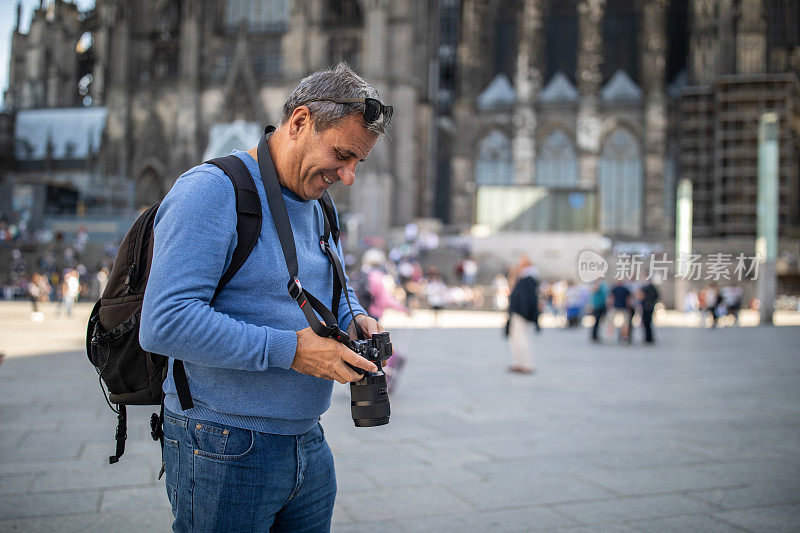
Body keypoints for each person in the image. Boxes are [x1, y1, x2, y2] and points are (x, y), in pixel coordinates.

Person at [139, 64, 392, 532]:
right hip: (223, 443)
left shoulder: (318, 202)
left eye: (358, 161)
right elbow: (164, 322)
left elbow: (334, 289)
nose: (349, 175)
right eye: (341, 154)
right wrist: (293, 351)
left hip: (308, 442)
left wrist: (356, 319)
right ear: (299, 123)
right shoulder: (210, 190)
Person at [507, 256, 539, 374]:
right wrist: (513, 274)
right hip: (516, 313)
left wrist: (527, 315)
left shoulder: (529, 279)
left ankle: (527, 365)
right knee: (516, 340)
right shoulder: (521, 279)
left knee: (523, 340)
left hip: (523, 315)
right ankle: (518, 363)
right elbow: (511, 291)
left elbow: (529, 300)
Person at [639, 276, 660, 344]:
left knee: (647, 323)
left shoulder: (648, 288)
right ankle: (648, 338)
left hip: (648, 307)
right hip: (647, 307)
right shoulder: (647, 287)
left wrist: (650, 303)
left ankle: (648, 338)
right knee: (647, 323)